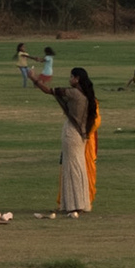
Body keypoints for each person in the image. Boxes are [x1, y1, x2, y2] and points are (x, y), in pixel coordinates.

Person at [30, 66, 99, 216]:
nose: (70, 79)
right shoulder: (87, 96)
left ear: (77, 79)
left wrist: (33, 78)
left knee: (71, 168)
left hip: (71, 133)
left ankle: (73, 205)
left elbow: (49, 91)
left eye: (71, 77)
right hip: (81, 136)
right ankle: (80, 203)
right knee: (78, 167)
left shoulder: (74, 93)